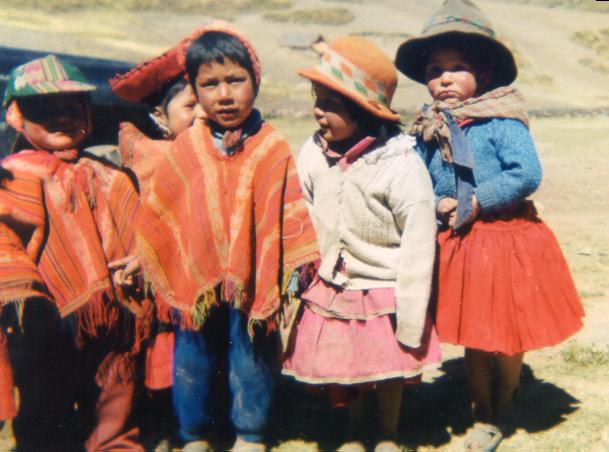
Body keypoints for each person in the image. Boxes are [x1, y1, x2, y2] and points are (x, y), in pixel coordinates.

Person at [395, 0, 585, 449]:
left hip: (504, 238)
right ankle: (483, 411)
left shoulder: (502, 120)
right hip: (462, 244)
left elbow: (526, 173)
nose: (444, 78)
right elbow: (416, 178)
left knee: (508, 329)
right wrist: (438, 202)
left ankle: (508, 395)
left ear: (483, 73)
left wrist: (479, 199)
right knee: (475, 331)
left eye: (457, 68)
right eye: (435, 69)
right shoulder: (428, 128)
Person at [123, 24, 319, 452]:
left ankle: (250, 431)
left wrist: (292, 265)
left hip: (252, 278)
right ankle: (194, 433)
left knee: (250, 355)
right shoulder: (186, 147)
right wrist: (145, 253)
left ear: (256, 82)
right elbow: (163, 210)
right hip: (194, 280)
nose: (224, 95)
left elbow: (285, 209)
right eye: (210, 85)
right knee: (192, 355)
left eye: (235, 80)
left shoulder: (271, 146)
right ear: (194, 90)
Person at [281, 36, 441, 452]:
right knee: (347, 364)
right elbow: (304, 210)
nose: (318, 111)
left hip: (383, 285)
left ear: (364, 111)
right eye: (317, 100)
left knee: (387, 369)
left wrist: (411, 318)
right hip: (334, 283)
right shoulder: (313, 154)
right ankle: (354, 430)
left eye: (331, 104)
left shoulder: (400, 165)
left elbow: (419, 244)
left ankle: (388, 432)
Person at [0, 55, 151, 450]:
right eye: (43, 109)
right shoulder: (12, 177)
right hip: (44, 314)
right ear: (17, 117)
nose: (61, 117)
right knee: (44, 392)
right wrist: (22, 291)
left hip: (114, 307)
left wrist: (141, 257)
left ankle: (113, 443)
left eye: (72, 107)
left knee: (114, 386)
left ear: (87, 112)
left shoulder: (109, 174)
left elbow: (140, 228)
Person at [109, 27, 210, 451]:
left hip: (204, 276)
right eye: (190, 106)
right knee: (164, 352)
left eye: (207, 104)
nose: (202, 115)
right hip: (161, 276)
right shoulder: (150, 158)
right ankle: (162, 423)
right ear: (159, 115)